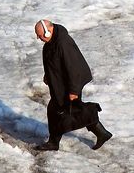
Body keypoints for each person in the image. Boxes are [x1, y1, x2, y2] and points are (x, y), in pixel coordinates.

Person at [33, 19, 113, 152]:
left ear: (48, 32)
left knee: (71, 111)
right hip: (60, 82)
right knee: (58, 111)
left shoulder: (63, 43)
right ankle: (55, 142)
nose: (39, 38)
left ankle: (101, 132)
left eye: (40, 35)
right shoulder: (51, 42)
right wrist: (48, 75)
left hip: (70, 83)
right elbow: (52, 62)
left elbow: (73, 68)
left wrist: (74, 91)